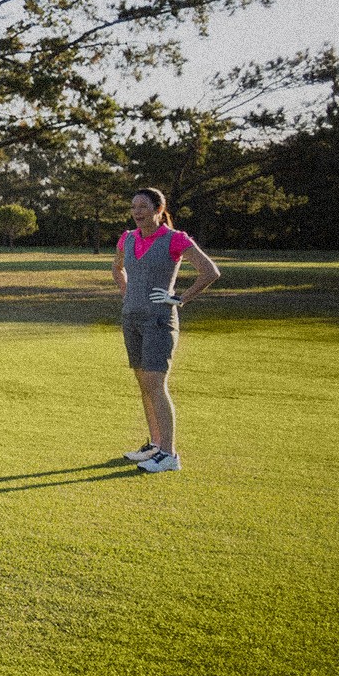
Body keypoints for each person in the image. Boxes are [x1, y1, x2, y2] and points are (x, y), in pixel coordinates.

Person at [114, 187, 220, 473]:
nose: (137, 212)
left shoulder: (175, 240)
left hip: (159, 321)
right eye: (133, 206)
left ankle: (169, 454)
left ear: (158, 210)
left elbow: (209, 271)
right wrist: (128, 293)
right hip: (131, 319)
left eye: (143, 206)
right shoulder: (127, 238)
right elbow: (117, 269)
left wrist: (181, 298)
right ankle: (155, 445)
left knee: (156, 385)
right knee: (143, 384)